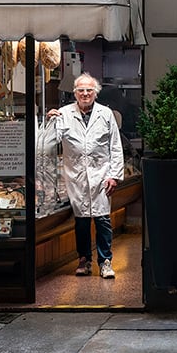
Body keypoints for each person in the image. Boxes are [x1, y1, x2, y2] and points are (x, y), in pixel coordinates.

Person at [45, 73, 125, 278]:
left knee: (102, 220)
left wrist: (114, 176)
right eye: (81, 90)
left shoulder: (106, 114)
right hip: (76, 176)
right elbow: (51, 142)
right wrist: (50, 121)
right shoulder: (64, 113)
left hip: (101, 175)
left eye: (89, 90)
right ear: (75, 93)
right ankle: (84, 260)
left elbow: (115, 147)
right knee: (81, 221)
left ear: (96, 93)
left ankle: (105, 262)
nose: (85, 94)